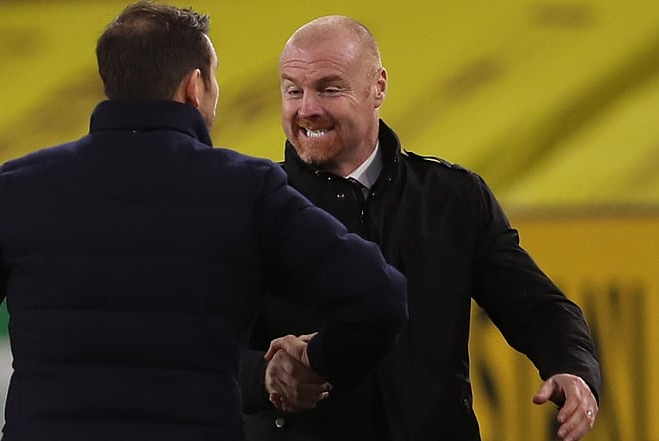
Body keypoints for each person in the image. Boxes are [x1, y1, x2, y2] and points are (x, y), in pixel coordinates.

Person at [0, 3, 409, 441]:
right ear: (194, 87)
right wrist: (317, 362)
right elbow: (379, 298)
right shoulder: (245, 190)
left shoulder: (19, 188)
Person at [240, 15, 602, 441]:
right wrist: (263, 375)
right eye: (293, 90)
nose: (307, 109)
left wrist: (573, 368)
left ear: (378, 87)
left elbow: (538, 308)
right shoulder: (249, 206)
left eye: (329, 89)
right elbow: (190, 344)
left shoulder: (453, 197)